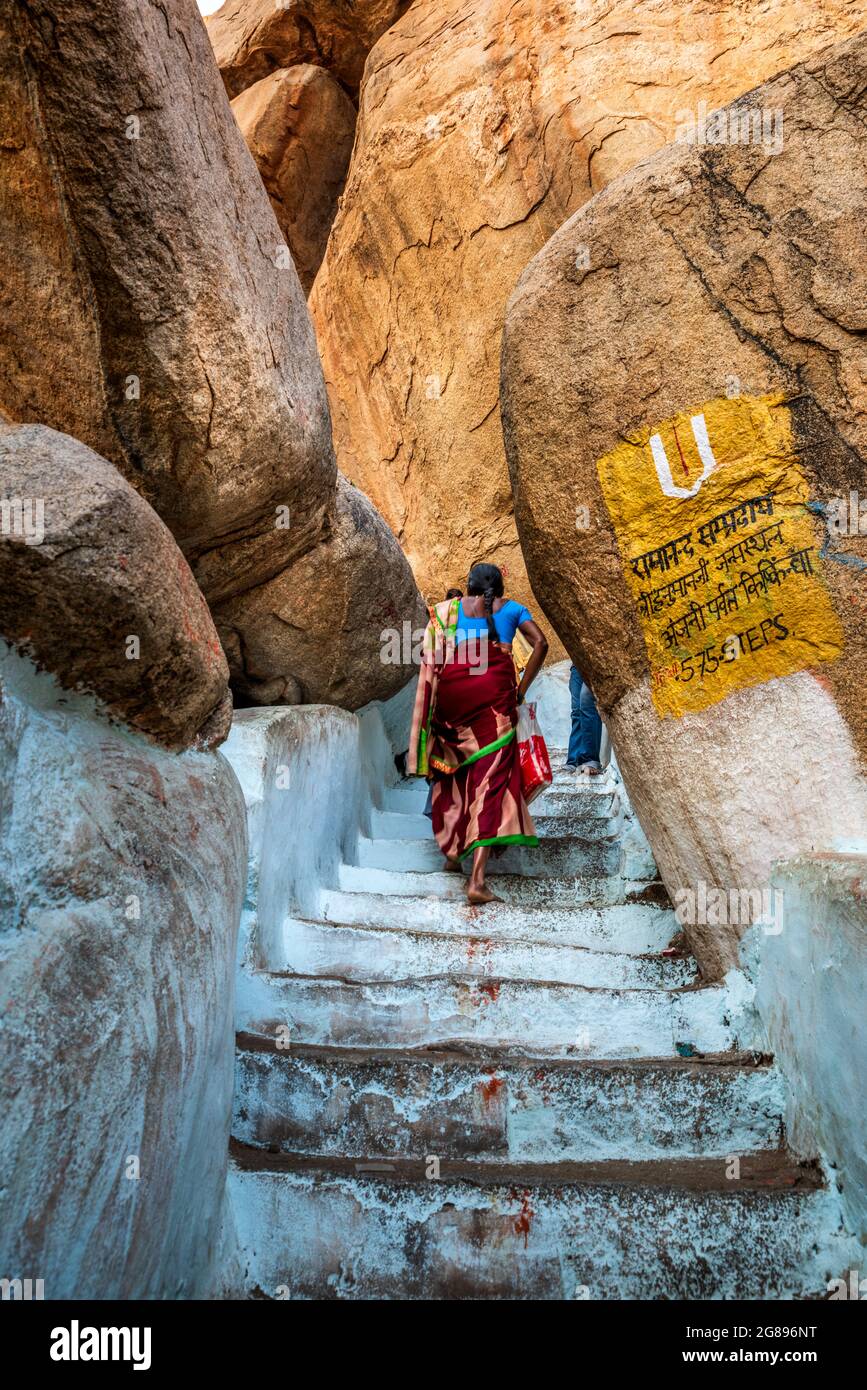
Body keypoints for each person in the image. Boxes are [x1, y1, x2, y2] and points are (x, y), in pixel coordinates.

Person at [409, 562, 549, 903]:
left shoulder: (449, 611)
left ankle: (452, 854)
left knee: (455, 769)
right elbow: (541, 644)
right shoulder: (512, 609)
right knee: (491, 782)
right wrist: (521, 689)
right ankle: (477, 880)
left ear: (469, 586)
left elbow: (432, 655)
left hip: (452, 697)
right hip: (493, 701)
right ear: (500, 588)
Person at [566, 664, 603, 774]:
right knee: (576, 710)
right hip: (576, 665)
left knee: (587, 702)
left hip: (594, 662)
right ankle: (574, 760)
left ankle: (591, 759)